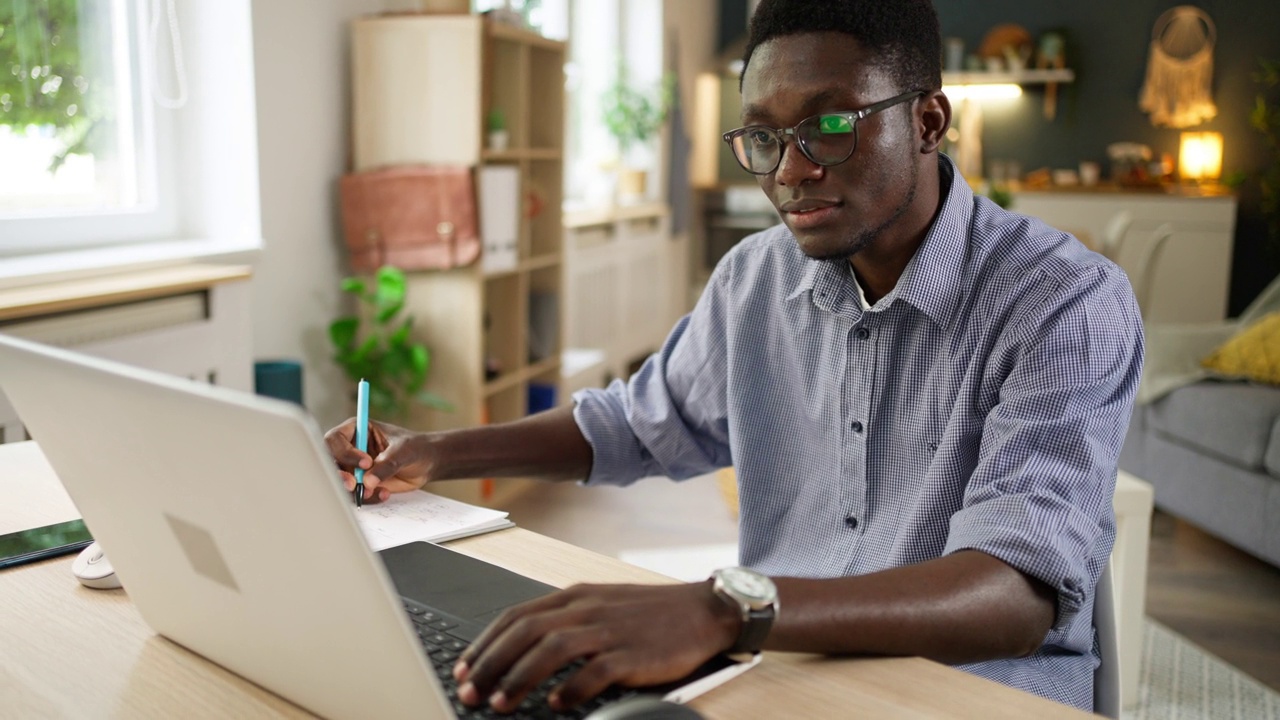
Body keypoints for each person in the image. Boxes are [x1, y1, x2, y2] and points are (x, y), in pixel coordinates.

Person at [326, 0, 1143, 713]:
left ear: (928, 121)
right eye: (763, 135)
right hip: (782, 669)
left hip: (973, 694)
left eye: (828, 126)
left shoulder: (1064, 303)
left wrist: (727, 608)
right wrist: (433, 453)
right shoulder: (755, 279)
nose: (789, 171)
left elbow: (1012, 596)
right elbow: (634, 427)